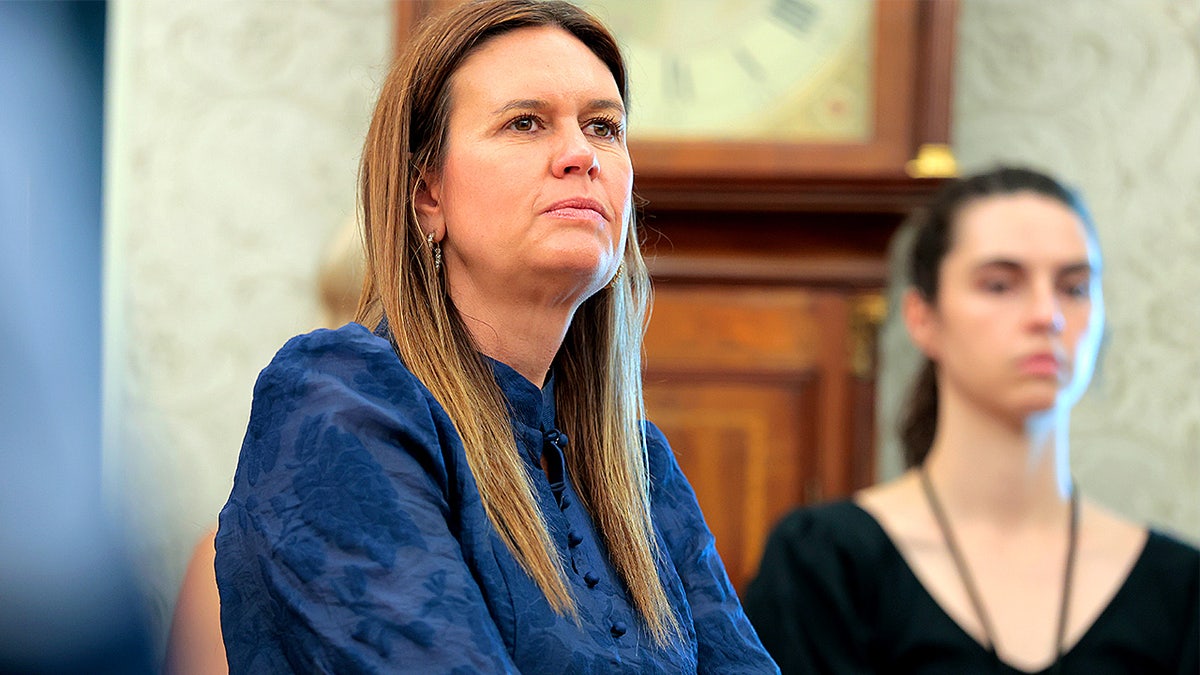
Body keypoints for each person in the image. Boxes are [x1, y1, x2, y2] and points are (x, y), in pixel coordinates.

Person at [214, 1, 777, 672]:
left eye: (604, 126)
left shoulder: (641, 468)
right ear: (429, 194)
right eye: (525, 122)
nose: (579, 155)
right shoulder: (341, 400)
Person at [743, 166, 1199, 674]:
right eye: (1001, 284)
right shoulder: (826, 562)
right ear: (922, 318)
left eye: (1074, 288)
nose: (1047, 315)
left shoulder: (1179, 584)